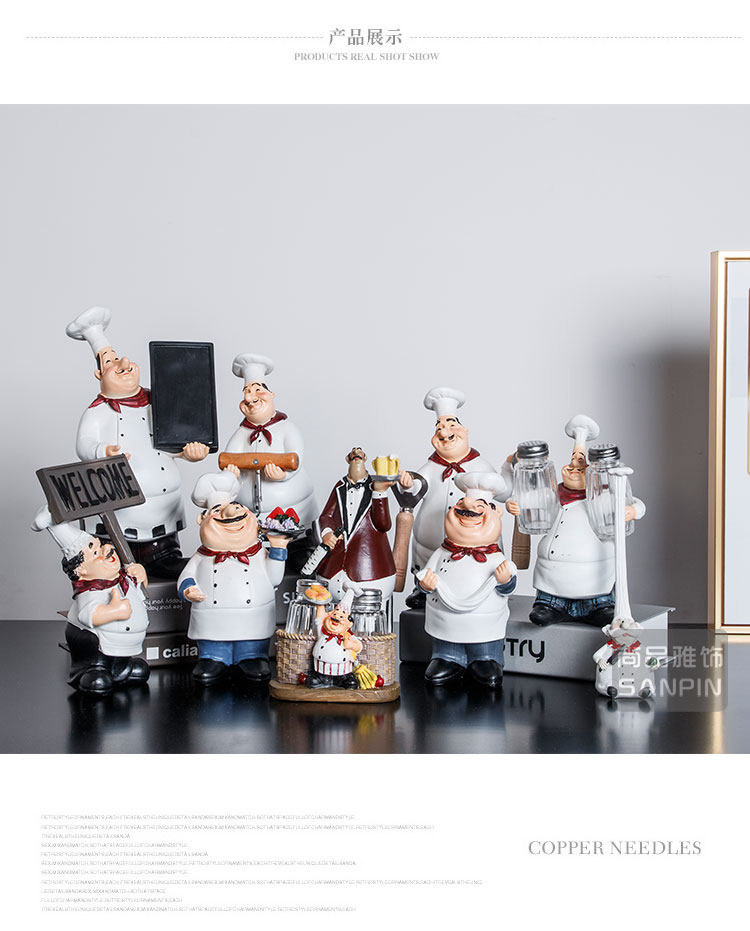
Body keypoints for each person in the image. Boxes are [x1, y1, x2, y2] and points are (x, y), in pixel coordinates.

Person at [66, 307, 209, 579]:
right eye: (110, 363)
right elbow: (84, 443)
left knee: (166, 555)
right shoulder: (98, 411)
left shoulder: (160, 402)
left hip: (164, 506)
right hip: (122, 509)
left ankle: (166, 559)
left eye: (119, 358)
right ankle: (120, 570)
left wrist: (189, 451)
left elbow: (174, 439)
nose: (122, 364)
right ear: (99, 375)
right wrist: (101, 451)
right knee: (119, 557)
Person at [506, 418, 645, 626]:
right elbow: (524, 498)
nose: (573, 469)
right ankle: (549, 606)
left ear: (593, 473)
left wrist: (632, 511)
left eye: (580, 468)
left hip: (595, 575)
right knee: (549, 597)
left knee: (600, 597)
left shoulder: (602, 498)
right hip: (553, 573)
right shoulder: (552, 493)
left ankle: (599, 607)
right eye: (571, 464)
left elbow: (636, 504)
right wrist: (513, 505)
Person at [398, 386, 510, 608]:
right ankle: (422, 590)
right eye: (438, 427)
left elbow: (502, 490)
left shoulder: (480, 465)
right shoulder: (430, 467)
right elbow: (415, 490)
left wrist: (510, 477)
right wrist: (407, 484)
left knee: (478, 571)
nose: (444, 431)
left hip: (477, 543)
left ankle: (483, 589)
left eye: (451, 425)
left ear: (465, 431)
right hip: (430, 544)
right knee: (428, 566)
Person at [178, 468, 289, 685]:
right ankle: (212, 658)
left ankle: (253, 657)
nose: (230, 514)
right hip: (212, 619)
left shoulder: (259, 553)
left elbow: (274, 578)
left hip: (253, 619)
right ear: (203, 519)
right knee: (213, 641)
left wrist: (278, 549)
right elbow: (186, 576)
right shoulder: (202, 557)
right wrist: (189, 589)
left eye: (237, 507)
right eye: (218, 511)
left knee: (252, 640)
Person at [32, 506, 150, 696]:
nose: (106, 550)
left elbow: (141, 590)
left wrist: (140, 574)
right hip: (97, 650)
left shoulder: (122, 578)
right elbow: (88, 616)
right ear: (82, 571)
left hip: (123, 649)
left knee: (140, 670)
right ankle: (92, 670)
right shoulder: (91, 592)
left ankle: (120, 668)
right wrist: (115, 611)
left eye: (99, 545)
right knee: (97, 679)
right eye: (95, 554)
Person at [417, 473, 517, 689]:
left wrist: (504, 581)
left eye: (479, 506)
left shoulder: (496, 557)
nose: (467, 510)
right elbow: (423, 577)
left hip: (485, 625)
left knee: (484, 639)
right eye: (461, 505)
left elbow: (508, 587)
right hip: (445, 620)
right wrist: (424, 585)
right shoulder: (441, 553)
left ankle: (486, 659)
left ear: (496, 514)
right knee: (447, 637)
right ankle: (447, 658)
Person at [222, 353, 317, 572]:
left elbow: (296, 458)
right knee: (255, 562)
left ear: (272, 395)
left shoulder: (287, 428)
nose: (251, 397)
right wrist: (231, 473)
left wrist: (284, 475)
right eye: (246, 392)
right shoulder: (241, 434)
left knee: (299, 555)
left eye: (258, 390)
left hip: (294, 510)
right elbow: (228, 459)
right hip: (254, 520)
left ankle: (299, 555)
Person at [315, 447, 397, 602]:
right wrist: (327, 532)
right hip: (333, 569)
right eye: (353, 453)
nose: (356, 454)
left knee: (370, 611)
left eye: (360, 453)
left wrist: (380, 493)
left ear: (365, 458)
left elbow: (383, 525)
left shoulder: (375, 485)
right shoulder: (339, 486)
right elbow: (326, 515)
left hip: (371, 571)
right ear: (347, 459)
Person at [307, 589, 362, 690]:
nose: (336, 618)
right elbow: (320, 618)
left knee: (350, 682)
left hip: (342, 670)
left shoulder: (348, 636)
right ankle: (322, 679)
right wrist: (320, 604)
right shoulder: (323, 631)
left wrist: (351, 645)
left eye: (341, 616)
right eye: (334, 614)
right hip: (322, 669)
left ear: (349, 624)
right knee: (313, 681)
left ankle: (343, 680)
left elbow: (359, 647)